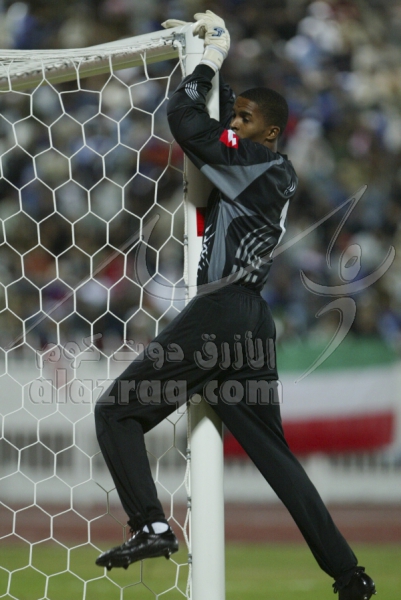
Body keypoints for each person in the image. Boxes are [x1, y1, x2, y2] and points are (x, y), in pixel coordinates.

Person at [94, 10, 376, 600]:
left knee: (116, 413)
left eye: (245, 118)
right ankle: (349, 576)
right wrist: (206, 59)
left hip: (220, 313)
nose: (235, 123)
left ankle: (150, 525)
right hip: (251, 322)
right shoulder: (270, 170)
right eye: (235, 115)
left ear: (270, 132)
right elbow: (213, 131)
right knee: (276, 459)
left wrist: (207, 64)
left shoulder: (254, 161)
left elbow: (184, 120)